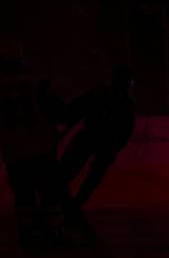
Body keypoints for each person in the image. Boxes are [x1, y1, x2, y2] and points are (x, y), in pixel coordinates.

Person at [0, 59, 64, 247]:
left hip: (14, 152)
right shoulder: (36, 88)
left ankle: (28, 234)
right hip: (41, 149)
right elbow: (59, 111)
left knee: (23, 195)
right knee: (49, 194)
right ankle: (53, 233)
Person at [60, 66, 136, 211]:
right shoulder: (125, 102)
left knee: (69, 172)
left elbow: (77, 111)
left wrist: (64, 132)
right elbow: (127, 130)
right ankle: (76, 201)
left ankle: (69, 200)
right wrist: (115, 147)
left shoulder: (100, 94)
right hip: (104, 143)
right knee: (93, 175)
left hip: (91, 138)